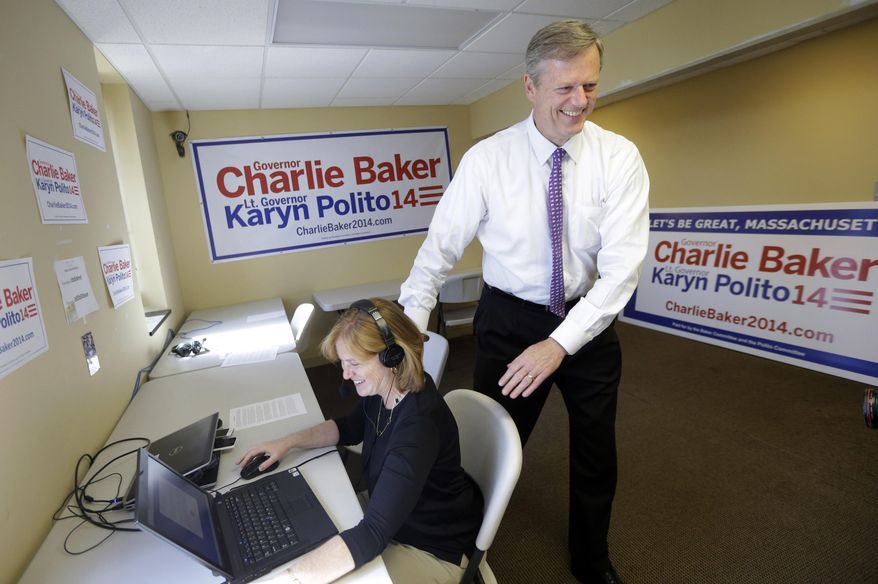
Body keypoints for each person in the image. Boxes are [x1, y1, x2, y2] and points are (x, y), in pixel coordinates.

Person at [398, 19, 649, 584]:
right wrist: (409, 339)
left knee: (595, 450)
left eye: (589, 85)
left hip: (587, 319)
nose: (579, 101)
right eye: (564, 88)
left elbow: (620, 271)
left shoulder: (620, 158)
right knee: (487, 440)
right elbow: (435, 254)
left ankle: (591, 559)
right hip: (511, 319)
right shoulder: (488, 160)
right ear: (530, 87)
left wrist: (559, 343)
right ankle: (455, 545)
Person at [237, 298, 483, 584]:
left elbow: (373, 533)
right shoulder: (387, 389)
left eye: (354, 363)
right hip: (393, 518)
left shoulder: (417, 428)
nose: (345, 374)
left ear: (391, 357)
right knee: (299, 535)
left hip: (429, 546)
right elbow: (347, 428)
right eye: (343, 363)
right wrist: (288, 442)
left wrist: (288, 580)